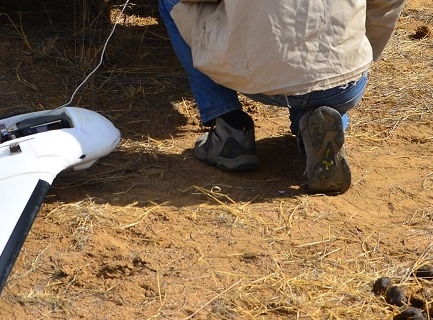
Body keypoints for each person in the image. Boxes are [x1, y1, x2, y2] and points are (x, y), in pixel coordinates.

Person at [158, 0, 406, 194]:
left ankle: (229, 125)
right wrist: (361, 54)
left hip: (257, 78)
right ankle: (318, 123)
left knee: (170, 2)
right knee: (319, 82)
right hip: (343, 83)